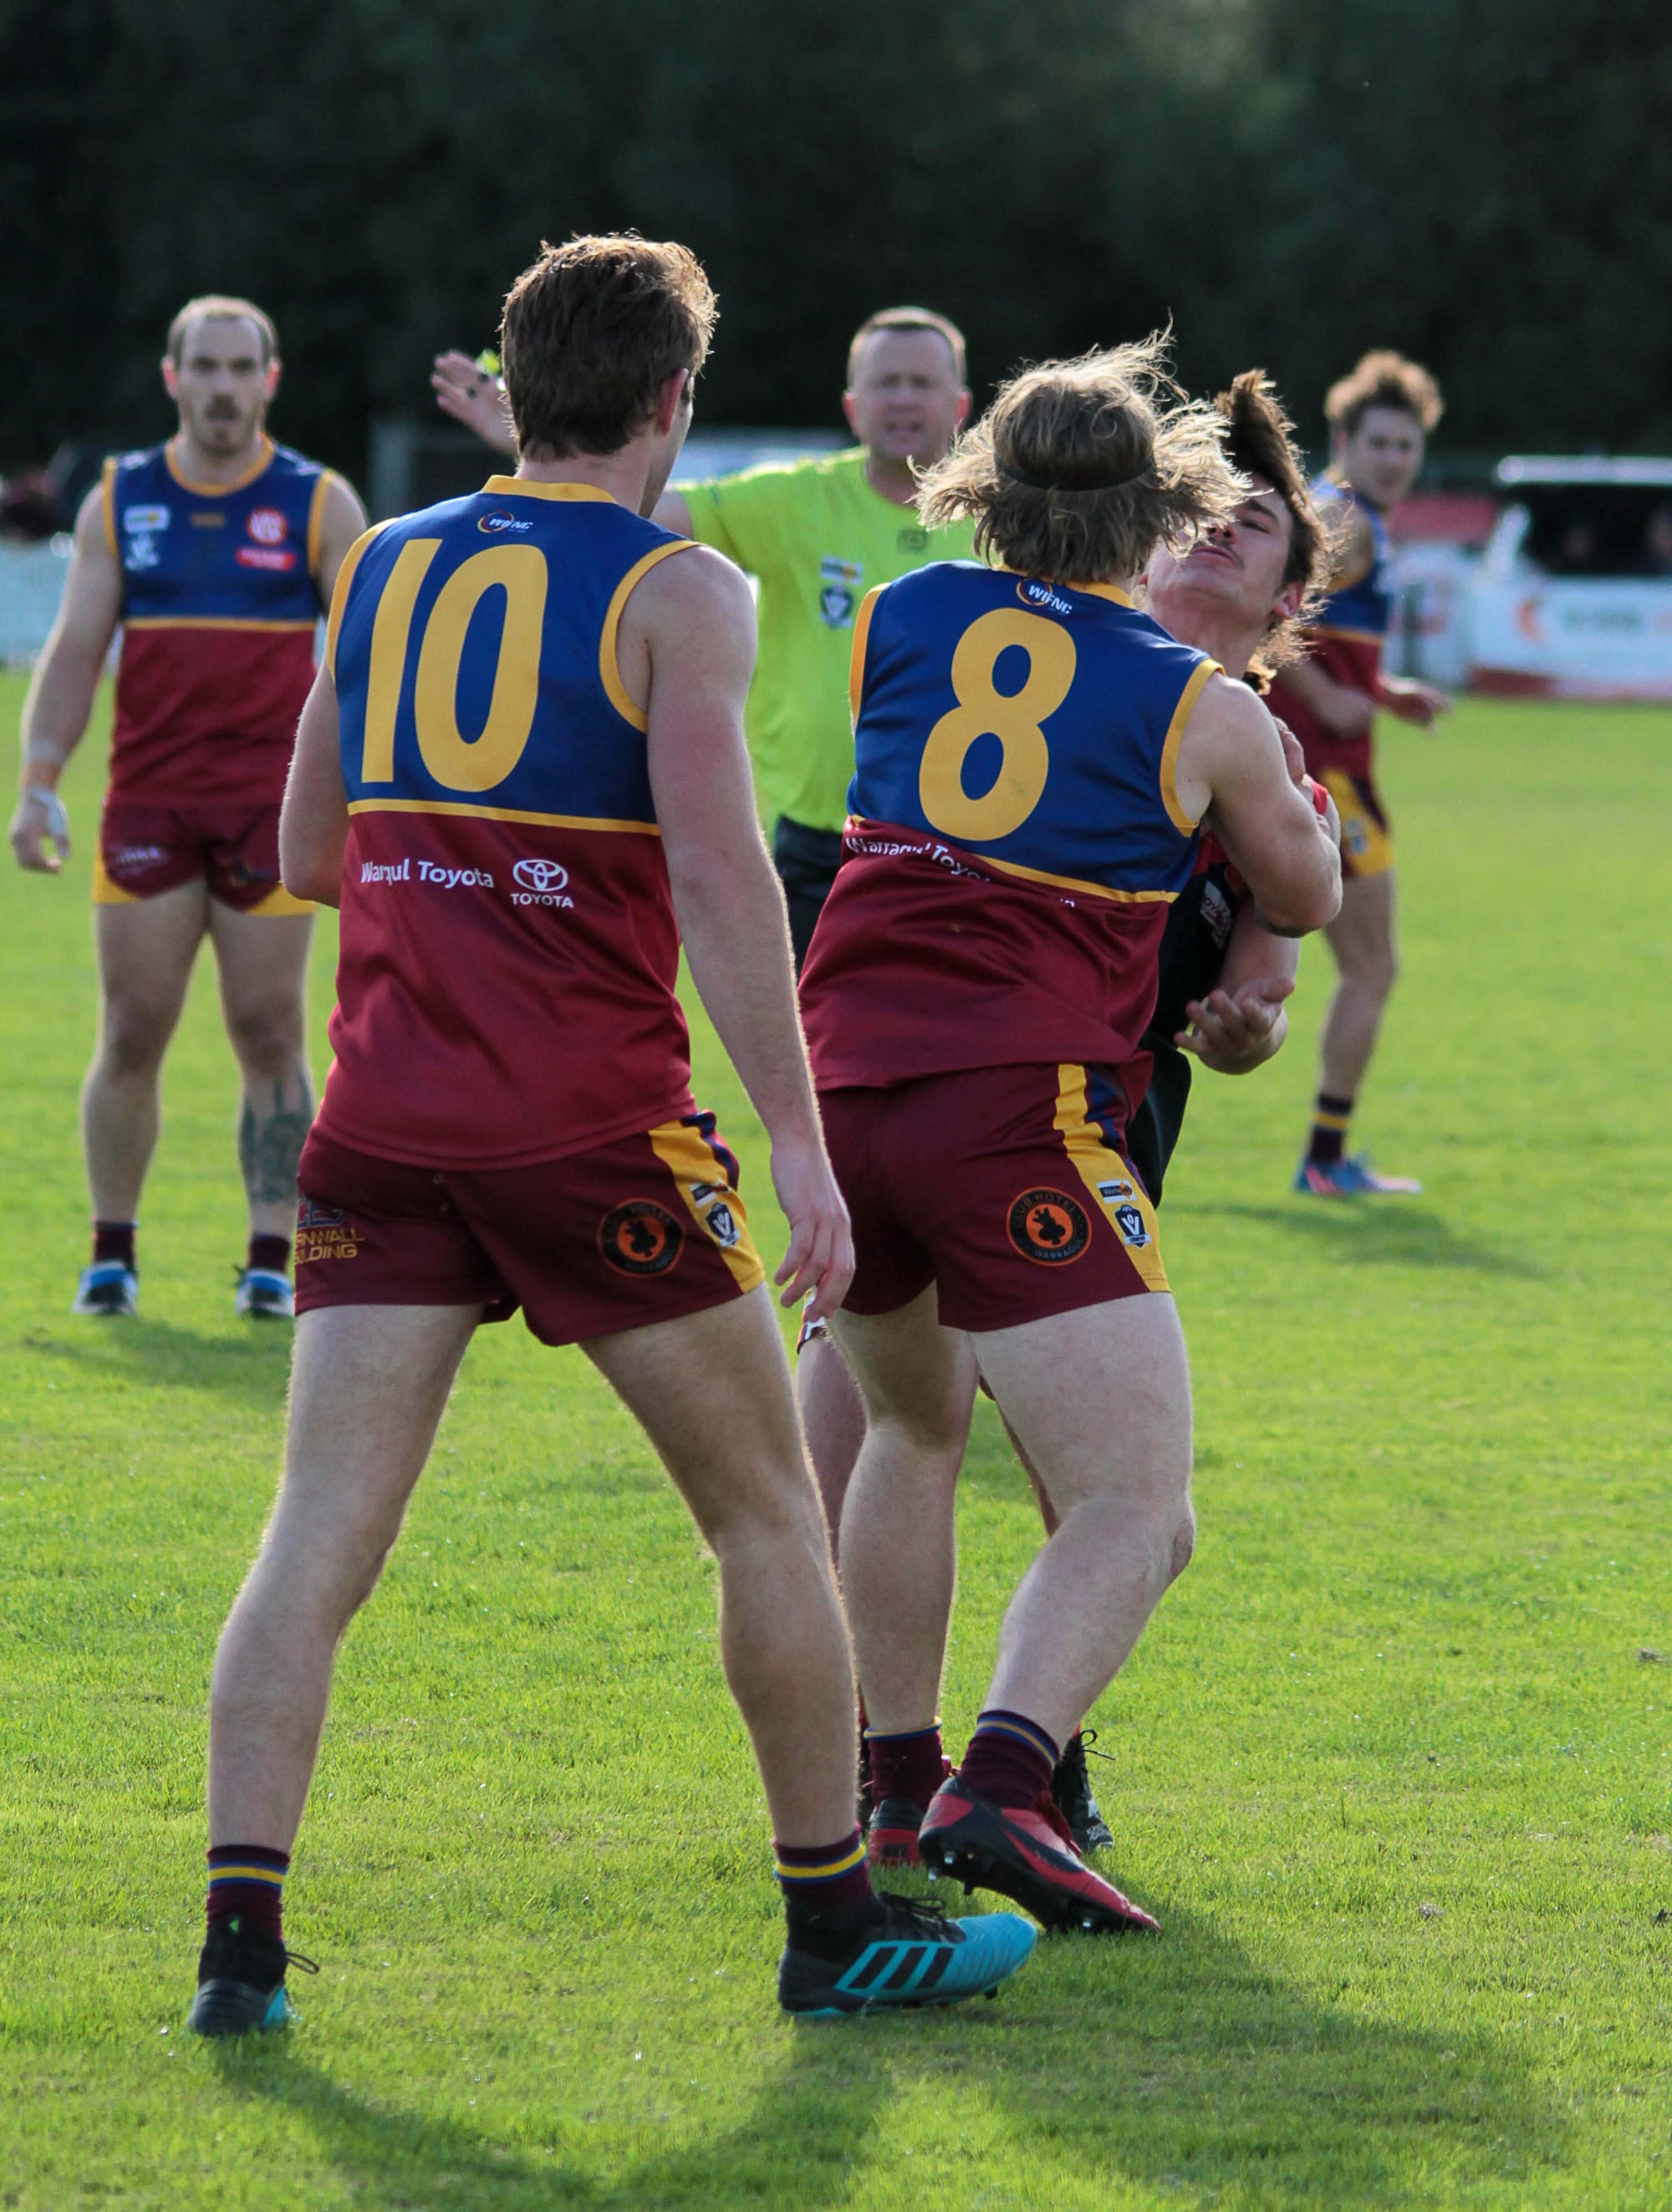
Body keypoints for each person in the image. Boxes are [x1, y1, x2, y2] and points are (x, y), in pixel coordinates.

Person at [186, 236, 1034, 2038]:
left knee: (313, 1541)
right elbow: (728, 883)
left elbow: (309, 854)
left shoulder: (388, 560)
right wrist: (799, 1142)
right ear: (674, 401)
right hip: (586, 1129)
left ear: (518, 374)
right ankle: (832, 1934)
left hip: (380, 1118)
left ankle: (238, 1956)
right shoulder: (679, 595)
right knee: (765, 1525)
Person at [795, 339, 1341, 1935]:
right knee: (1137, 1508)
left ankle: (896, 1780)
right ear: (1160, 510)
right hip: (1014, 1108)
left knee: (909, 1434)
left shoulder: (897, 616)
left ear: (982, 484)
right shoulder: (1199, 705)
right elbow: (1300, 895)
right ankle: (1007, 1785)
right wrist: (1275, 799)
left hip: (853, 1094)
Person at [9, 296, 367, 1318]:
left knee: (268, 1031)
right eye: (202, 367)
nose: (220, 386)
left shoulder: (315, 502)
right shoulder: (121, 497)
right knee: (131, 1029)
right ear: (173, 379)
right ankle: (110, 1256)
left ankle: (267, 1259)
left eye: (238, 367)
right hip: (149, 810)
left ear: (270, 378)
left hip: (271, 814)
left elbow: (367, 662)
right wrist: (37, 781)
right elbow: (75, 653)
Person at [432, 304, 976, 966]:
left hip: (963, 846)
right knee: (821, 1062)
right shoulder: (793, 498)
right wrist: (533, 448)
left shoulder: (1003, 516)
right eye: (886, 383)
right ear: (853, 406)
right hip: (818, 848)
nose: (903, 399)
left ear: (961, 404)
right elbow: (631, 511)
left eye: (922, 383)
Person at [1264, 349, 1448, 1198]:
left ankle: (1326, 1158)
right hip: (1324, 779)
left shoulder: (1347, 514)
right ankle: (1325, 1160)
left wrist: (1380, 692)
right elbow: (1270, 610)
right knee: (1370, 969)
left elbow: (1316, 632)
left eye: (1405, 445)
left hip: (1325, 769)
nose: (1392, 459)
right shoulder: (1346, 519)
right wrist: (1327, 696)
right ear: (1342, 438)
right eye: (1378, 442)